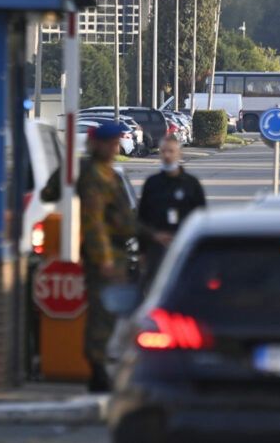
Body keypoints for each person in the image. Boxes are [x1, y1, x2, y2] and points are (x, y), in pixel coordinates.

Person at [39, 120, 135, 392]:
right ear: (97, 144)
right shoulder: (89, 173)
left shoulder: (110, 174)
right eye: (111, 143)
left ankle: (101, 367)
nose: (115, 147)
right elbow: (93, 222)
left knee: (111, 314)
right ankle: (97, 371)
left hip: (117, 253)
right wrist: (104, 259)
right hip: (103, 256)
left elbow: (124, 218)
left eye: (117, 143)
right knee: (101, 314)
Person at [137, 135, 206, 286]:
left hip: (184, 247)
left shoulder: (191, 184)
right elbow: (142, 218)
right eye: (163, 151)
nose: (167, 155)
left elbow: (202, 218)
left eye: (171, 151)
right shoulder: (152, 184)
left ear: (179, 153)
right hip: (156, 248)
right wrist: (144, 248)